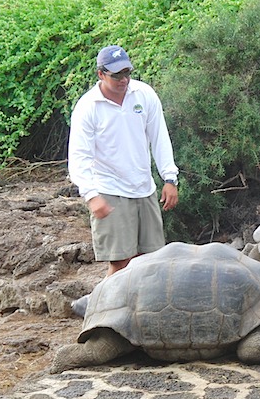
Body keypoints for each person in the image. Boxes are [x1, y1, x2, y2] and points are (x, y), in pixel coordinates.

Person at [68, 44, 179, 277]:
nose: (124, 80)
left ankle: (140, 313)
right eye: (116, 75)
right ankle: (102, 311)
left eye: (127, 72)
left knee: (150, 261)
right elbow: (79, 156)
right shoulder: (88, 107)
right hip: (109, 189)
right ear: (101, 74)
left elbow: (159, 137)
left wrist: (169, 178)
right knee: (120, 264)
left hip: (143, 188)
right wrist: (91, 195)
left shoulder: (144, 94)